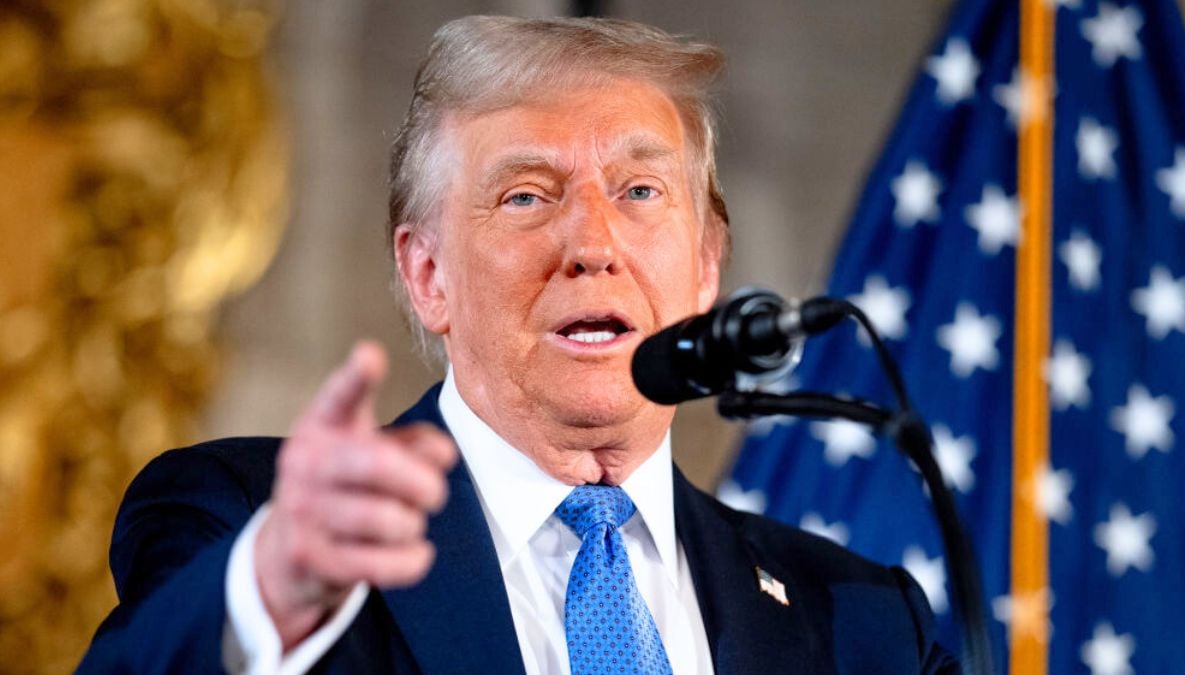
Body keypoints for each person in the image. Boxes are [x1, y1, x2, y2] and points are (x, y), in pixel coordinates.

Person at [79, 15, 960, 674]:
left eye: (641, 190)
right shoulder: (243, 520)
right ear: (428, 276)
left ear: (705, 268)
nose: (592, 243)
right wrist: (264, 593)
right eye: (526, 197)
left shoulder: (865, 623)